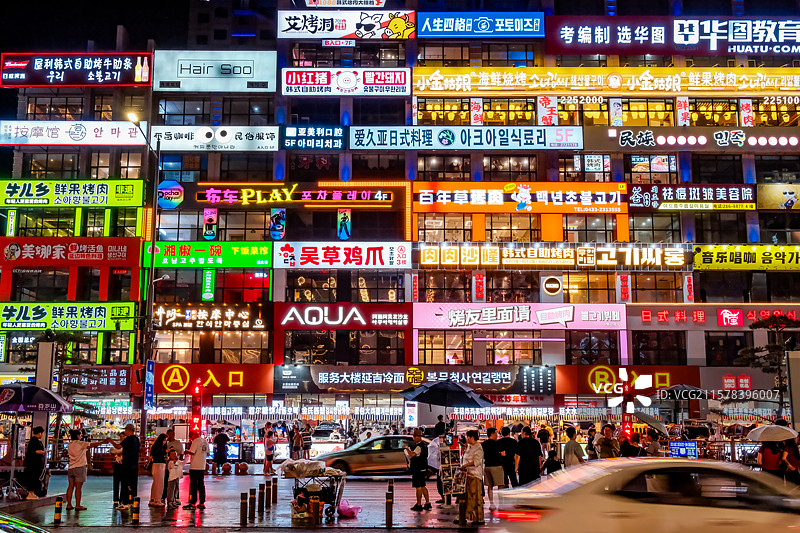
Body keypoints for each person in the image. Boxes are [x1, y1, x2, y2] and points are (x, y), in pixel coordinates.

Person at [65, 430, 108, 510]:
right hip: (80, 467)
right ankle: (78, 505)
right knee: (78, 487)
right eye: (80, 435)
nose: (81, 436)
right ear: (78, 436)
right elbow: (93, 445)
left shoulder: (69, 445)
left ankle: (69, 504)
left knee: (70, 486)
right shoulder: (81, 444)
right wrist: (103, 442)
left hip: (71, 467)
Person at [110, 424, 140, 510]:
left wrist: (110, 441)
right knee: (133, 484)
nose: (125, 431)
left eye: (126, 430)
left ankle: (125, 503)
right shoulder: (136, 439)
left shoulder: (128, 439)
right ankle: (133, 502)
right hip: (134, 465)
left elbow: (118, 446)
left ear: (129, 430)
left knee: (125, 484)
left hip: (127, 465)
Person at [460, 430, 485, 526]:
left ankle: (478, 518)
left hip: (475, 475)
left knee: (476, 497)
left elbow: (476, 462)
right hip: (468, 475)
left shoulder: (478, 448)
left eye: (467, 437)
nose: (466, 439)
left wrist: (465, 465)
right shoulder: (470, 447)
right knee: (470, 497)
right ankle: (472, 517)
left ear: (471, 437)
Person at [404, 429, 430, 511]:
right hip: (423, 468)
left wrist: (407, 449)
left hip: (418, 469)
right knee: (423, 486)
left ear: (418, 437)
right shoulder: (424, 445)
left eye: (414, 437)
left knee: (418, 487)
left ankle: (419, 504)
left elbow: (412, 455)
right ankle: (427, 503)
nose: (413, 438)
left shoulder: (419, 446)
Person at [183, 430, 209, 510]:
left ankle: (193, 503)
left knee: (193, 485)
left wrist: (186, 451)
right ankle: (202, 502)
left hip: (194, 466)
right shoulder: (205, 441)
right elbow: (207, 453)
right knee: (201, 484)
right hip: (202, 465)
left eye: (191, 437)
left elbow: (192, 452)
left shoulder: (195, 441)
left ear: (193, 435)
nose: (191, 439)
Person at [481, 427, 505, 511]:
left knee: (490, 486)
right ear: (491, 434)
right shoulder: (498, 443)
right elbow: (503, 454)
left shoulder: (483, 444)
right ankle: (501, 504)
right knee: (500, 485)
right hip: (497, 466)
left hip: (487, 466)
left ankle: (491, 504)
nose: (497, 435)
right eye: (495, 433)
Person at [24, 426, 46, 500]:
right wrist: (44, 452)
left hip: (35, 463)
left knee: (34, 477)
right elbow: (37, 451)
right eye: (42, 433)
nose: (42, 435)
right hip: (34, 464)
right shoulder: (35, 441)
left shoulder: (34, 440)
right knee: (33, 477)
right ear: (40, 433)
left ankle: (32, 493)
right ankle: (31, 493)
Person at [162, 429, 183, 503]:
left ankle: (176, 497)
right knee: (166, 481)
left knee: (176, 482)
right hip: (167, 465)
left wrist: (180, 463)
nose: (169, 436)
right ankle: (164, 497)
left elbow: (181, 453)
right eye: (168, 435)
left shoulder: (178, 443)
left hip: (176, 465)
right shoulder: (165, 444)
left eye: (171, 434)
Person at [148, 433, 168, 507]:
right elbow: (159, 454)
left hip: (156, 465)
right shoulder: (158, 447)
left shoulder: (155, 446)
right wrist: (165, 452)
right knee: (159, 483)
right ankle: (157, 499)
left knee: (156, 482)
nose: (165, 442)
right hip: (159, 465)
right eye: (164, 440)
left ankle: (153, 499)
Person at [427, 430, 443, 504]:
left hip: (442, 467)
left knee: (441, 484)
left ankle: (445, 498)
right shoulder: (436, 445)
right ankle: (443, 498)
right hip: (440, 468)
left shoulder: (436, 444)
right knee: (440, 484)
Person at [110, 432, 124, 508]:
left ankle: (122, 498)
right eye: (121, 436)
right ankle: (116, 498)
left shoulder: (124, 446)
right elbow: (112, 451)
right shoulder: (118, 445)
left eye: (123, 436)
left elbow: (117, 452)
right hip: (118, 463)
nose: (121, 438)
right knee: (116, 481)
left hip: (124, 464)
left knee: (124, 482)